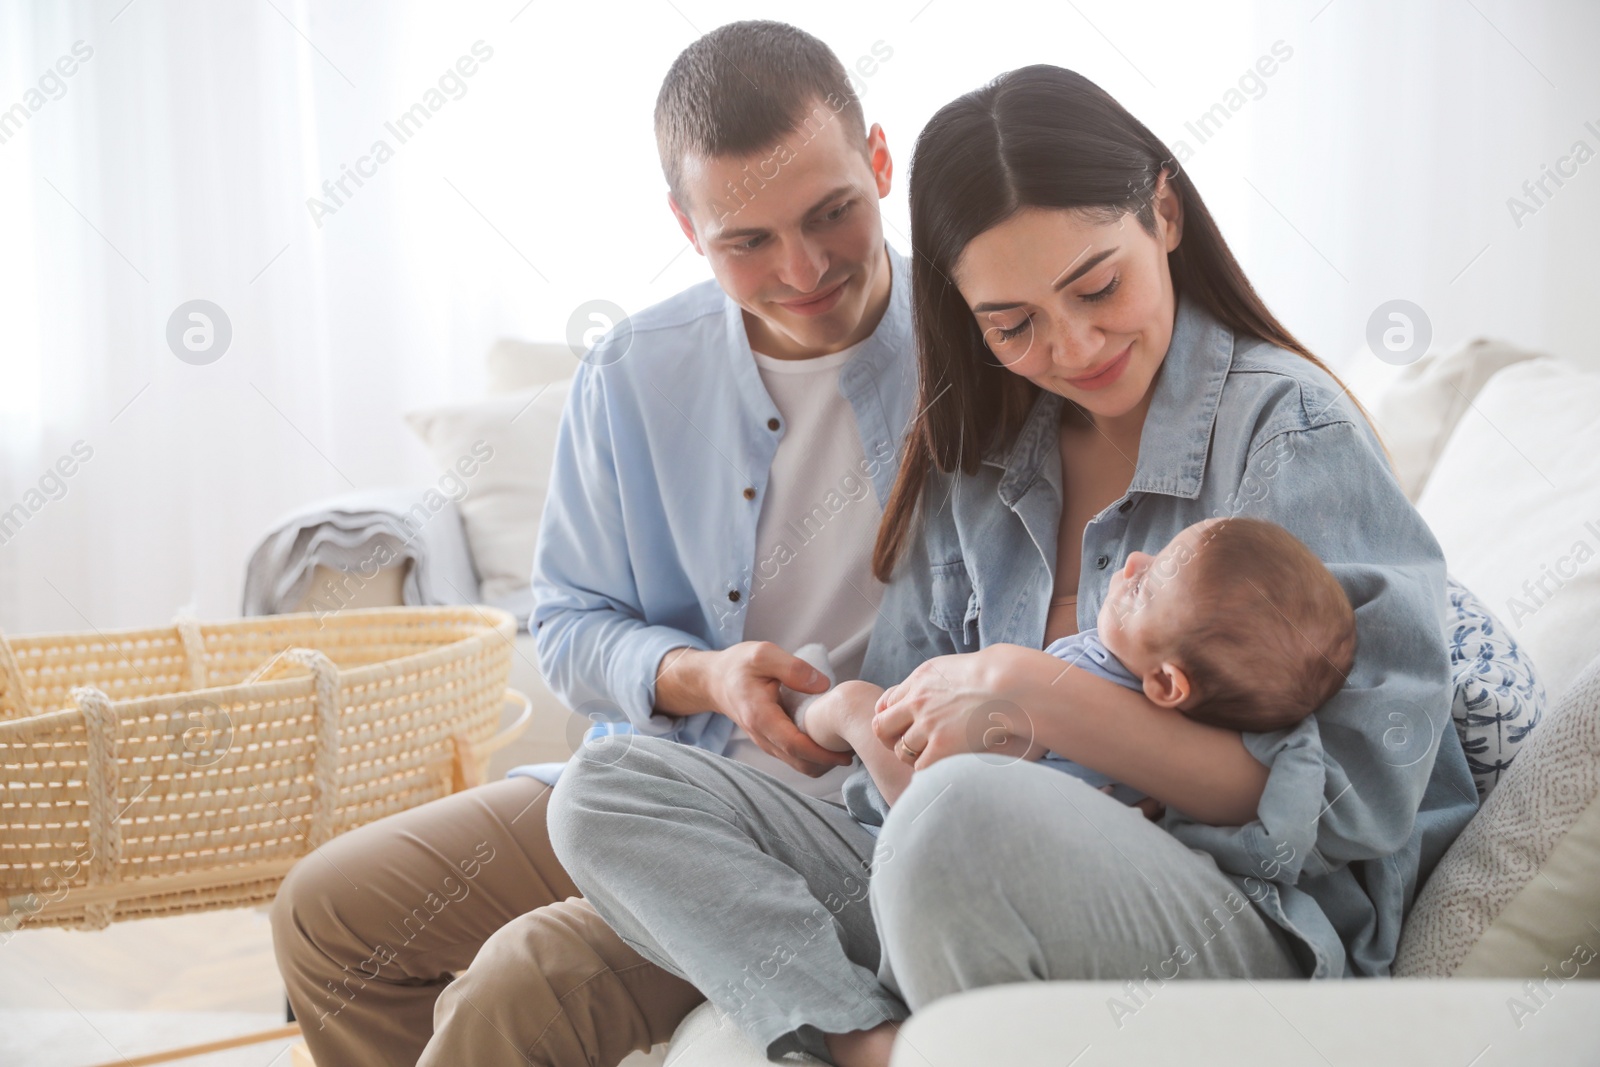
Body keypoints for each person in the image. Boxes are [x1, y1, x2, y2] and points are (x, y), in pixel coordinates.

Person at [548, 64, 1480, 1067]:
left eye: (1097, 286)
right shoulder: (983, 450)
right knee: (602, 789)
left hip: (1211, 912)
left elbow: (1362, 791)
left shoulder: (1282, 431)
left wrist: (1034, 689)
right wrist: (863, 717)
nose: (1075, 346)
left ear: (1162, 214)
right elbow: (905, 754)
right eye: (1012, 324)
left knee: (958, 817)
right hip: (945, 872)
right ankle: (870, 1041)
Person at [270, 21, 918, 1066]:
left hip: (840, 826)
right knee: (325, 913)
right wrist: (701, 674)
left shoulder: (984, 347)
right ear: (684, 221)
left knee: (524, 978)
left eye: (831, 213)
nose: (801, 269)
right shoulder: (633, 370)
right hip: (660, 777)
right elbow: (568, 623)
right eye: (745, 241)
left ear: (879, 160)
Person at [794, 515, 1358, 810]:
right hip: (997, 821)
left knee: (859, 705)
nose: (1135, 560)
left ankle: (819, 705)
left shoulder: (1088, 683)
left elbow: (944, 769)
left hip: (959, 815)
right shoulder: (1178, 726)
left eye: (1144, 589)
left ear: (1167, 681)